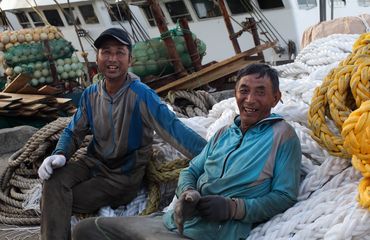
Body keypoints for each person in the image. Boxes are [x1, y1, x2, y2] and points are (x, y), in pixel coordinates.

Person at [72, 63, 302, 240]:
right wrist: (188, 193)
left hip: (212, 233)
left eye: (260, 92)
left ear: (275, 98)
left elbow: (284, 196)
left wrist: (233, 208)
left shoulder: (283, 136)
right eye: (244, 90)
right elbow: (191, 170)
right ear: (235, 93)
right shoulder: (224, 133)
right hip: (173, 222)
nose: (250, 99)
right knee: (87, 230)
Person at [37, 27, 207, 240]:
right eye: (106, 52)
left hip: (121, 177)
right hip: (92, 163)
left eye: (120, 52)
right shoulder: (90, 94)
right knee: (53, 181)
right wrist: (60, 154)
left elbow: (173, 129)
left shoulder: (141, 94)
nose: (112, 59)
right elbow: (74, 131)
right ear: (97, 58)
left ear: (130, 59)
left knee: (57, 199)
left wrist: (212, 157)